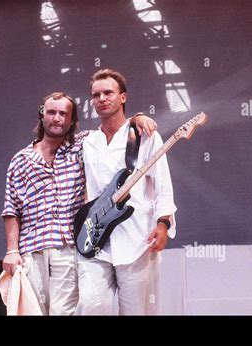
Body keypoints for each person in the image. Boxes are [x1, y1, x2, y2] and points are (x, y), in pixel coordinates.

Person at [1, 92, 156, 315]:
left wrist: (137, 118)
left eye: (64, 114)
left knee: (64, 313)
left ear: (72, 121)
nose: (57, 118)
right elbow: (11, 208)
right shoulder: (21, 159)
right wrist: (11, 250)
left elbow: (114, 127)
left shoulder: (83, 145)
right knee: (31, 312)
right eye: (51, 112)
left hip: (67, 248)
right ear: (41, 114)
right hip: (30, 249)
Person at [75, 69, 177, 315]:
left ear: (123, 97)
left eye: (108, 92)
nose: (102, 99)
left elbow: (163, 183)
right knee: (90, 306)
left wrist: (163, 223)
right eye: (96, 95)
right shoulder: (87, 142)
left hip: (136, 240)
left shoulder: (144, 136)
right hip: (95, 238)